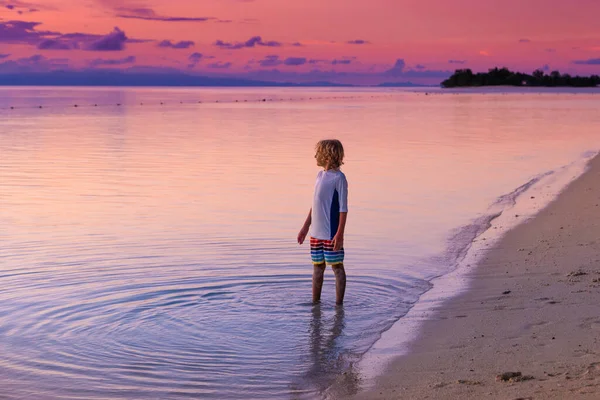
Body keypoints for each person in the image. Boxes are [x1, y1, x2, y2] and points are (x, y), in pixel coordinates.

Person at [297, 139, 348, 305]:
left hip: (331, 232)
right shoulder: (320, 176)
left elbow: (343, 208)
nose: (315, 156)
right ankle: (315, 305)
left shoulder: (339, 178)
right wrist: (305, 227)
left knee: (337, 267)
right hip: (316, 233)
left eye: (318, 153)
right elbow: (315, 204)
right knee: (317, 267)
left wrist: (339, 234)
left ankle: (339, 306)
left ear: (327, 157)